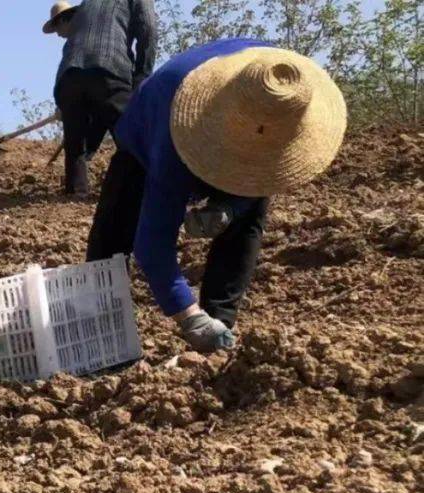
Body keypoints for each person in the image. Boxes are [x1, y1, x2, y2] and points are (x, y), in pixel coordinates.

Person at [85, 39, 346, 352]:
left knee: (249, 217)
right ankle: (100, 325)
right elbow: (153, 244)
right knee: (115, 234)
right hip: (146, 135)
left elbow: (263, 180)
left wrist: (232, 208)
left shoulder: (282, 90)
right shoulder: (177, 135)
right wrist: (188, 315)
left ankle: (220, 322)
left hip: (245, 124)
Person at [48, 0, 157, 195]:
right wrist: (141, 77)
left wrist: (63, 103)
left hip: (68, 76)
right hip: (109, 68)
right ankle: (145, 191)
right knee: (130, 134)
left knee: (75, 143)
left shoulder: (87, 3)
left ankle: (76, 193)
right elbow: (148, 30)